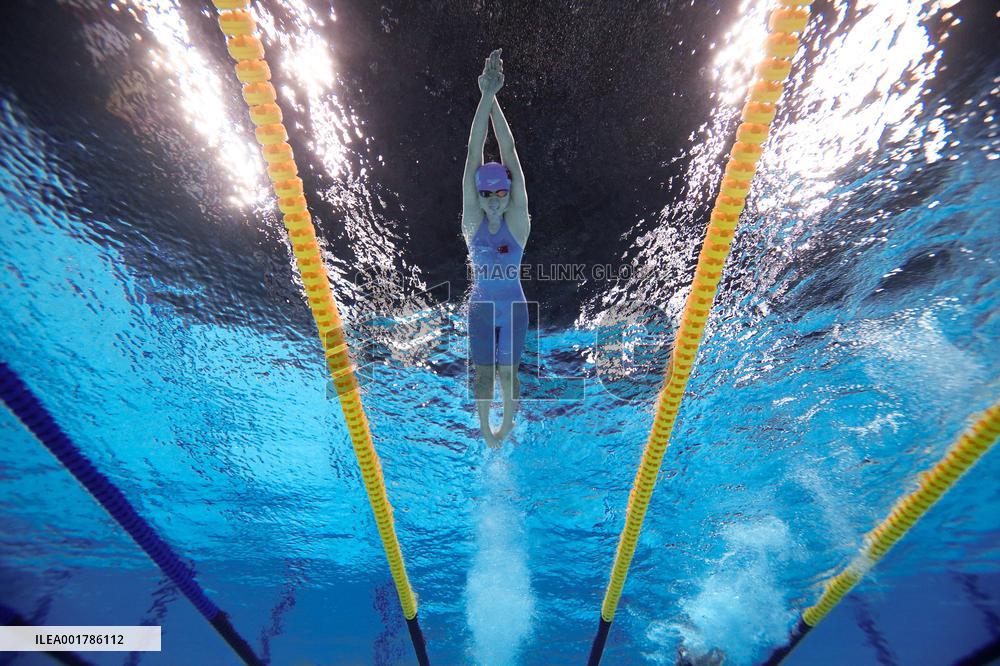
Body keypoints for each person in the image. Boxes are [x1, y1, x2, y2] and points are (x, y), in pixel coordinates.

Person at [462, 49, 530, 449]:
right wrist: (483, 96)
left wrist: (494, 97)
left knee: (509, 374)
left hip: (514, 304)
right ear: (478, 193)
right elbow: (474, 153)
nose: (491, 200)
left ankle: (505, 430)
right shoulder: (471, 222)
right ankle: (487, 431)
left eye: (499, 193)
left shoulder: (517, 223)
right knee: (485, 375)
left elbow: (511, 154)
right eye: (485, 193)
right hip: (482, 304)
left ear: (507, 194)